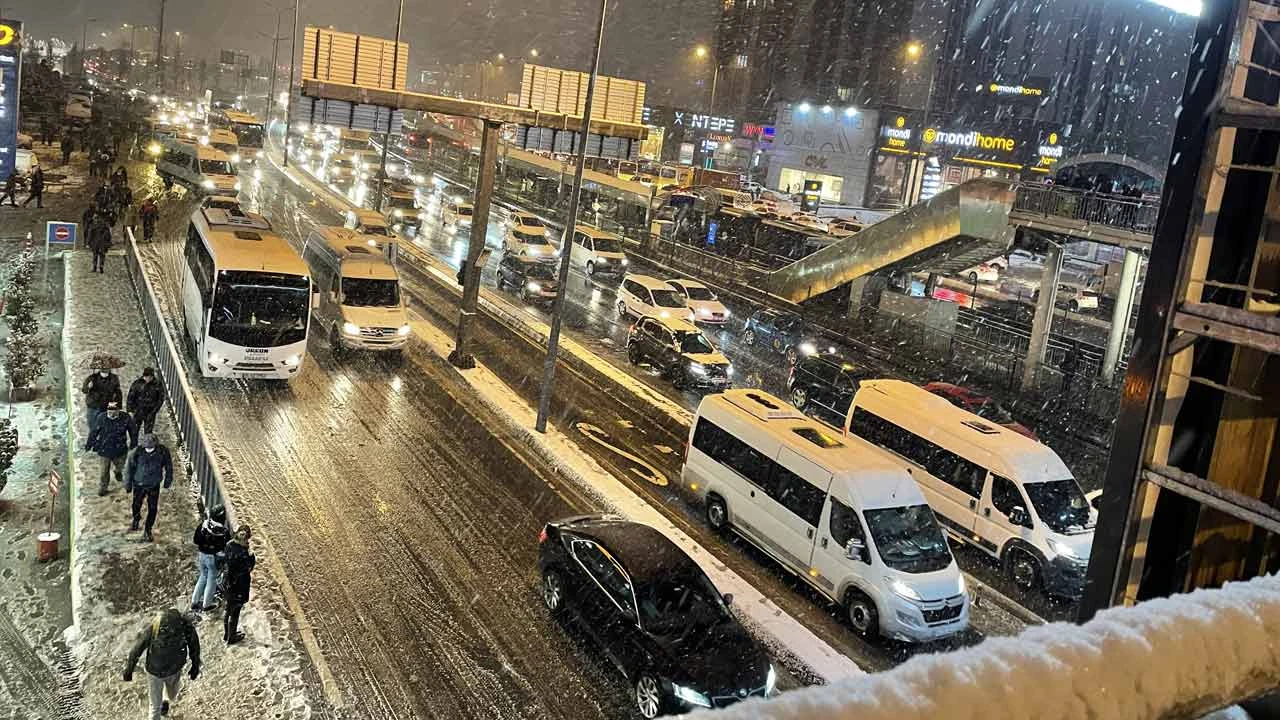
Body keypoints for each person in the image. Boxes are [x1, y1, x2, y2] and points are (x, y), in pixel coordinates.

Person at [122, 608, 201, 720]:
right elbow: (194, 647)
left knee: (163, 700)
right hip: (167, 670)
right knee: (161, 702)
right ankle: (164, 702)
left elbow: (137, 649)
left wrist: (129, 670)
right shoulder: (185, 627)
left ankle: (165, 701)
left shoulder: (157, 627)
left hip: (161, 670)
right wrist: (195, 666)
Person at [125, 433, 173, 542]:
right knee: (136, 504)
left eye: (151, 447)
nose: (149, 449)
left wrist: (167, 480)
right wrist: (128, 484)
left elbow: (169, 466)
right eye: (147, 447)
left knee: (153, 508)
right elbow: (129, 469)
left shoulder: (163, 451)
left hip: (154, 485)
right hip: (139, 484)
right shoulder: (137, 452)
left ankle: (148, 529)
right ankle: (136, 519)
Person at [87, 401, 137, 496]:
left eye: (114, 410)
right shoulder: (101, 418)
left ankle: (117, 472)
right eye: (109, 410)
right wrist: (89, 444)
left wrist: (133, 444)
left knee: (120, 466)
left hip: (120, 449)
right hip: (104, 450)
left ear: (118, 410)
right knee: (104, 471)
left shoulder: (126, 418)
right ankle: (103, 487)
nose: (111, 413)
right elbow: (94, 431)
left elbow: (133, 432)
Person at [190, 506, 230, 612]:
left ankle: (194, 602)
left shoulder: (204, 525)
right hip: (212, 557)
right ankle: (206, 604)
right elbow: (226, 547)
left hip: (201, 555)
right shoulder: (223, 531)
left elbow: (195, 540)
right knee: (211, 580)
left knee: (202, 576)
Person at [223, 525, 256, 644]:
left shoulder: (229, 545)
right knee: (235, 610)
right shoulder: (243, 553)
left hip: (228, 582)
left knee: (228, 609)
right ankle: (232, 636)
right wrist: (252, 557)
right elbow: (248, 568)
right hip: (239, 585)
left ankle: (227, 634)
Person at [81, 365, 122, 440]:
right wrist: (88, 387)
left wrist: (118, 406)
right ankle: (93, 441)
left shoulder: (114, 378)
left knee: (105, 426)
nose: (105, 370)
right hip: (93, 406)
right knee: (92, 425)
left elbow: (118, 392)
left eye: (107, 368)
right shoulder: (92, 378)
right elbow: (84, 390)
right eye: (103, 369)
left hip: (106, 406)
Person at [127, 367, 166, 434]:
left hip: (150, 412)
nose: (148, 378)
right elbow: (130, 397)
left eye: (150, 377)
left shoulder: (157, 385)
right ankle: (134, 444)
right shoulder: (137, 384)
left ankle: (147, 444)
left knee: (148, 433)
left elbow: (160, 399)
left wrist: (154, 410)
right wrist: (130, 410)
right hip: (138, 411)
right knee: (134, 431)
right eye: (147, 376)